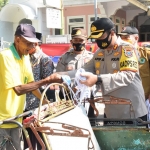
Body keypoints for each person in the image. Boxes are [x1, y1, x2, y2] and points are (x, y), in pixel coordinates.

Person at [54, 18, 147, 121]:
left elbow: (128, 75)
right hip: (110, 111)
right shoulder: (100, 52)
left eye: (101, 36)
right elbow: (84, 70)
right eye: (96, 38)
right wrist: (62, 75)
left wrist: (97, 79)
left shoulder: (127, 49)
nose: (98, 41)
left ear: (111, 33)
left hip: (132, 111)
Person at [0, 24, 62, 150]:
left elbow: (31, 85)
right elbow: (19, 89)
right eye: (29, 43)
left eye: (34, 44)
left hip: (16, 119)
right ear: (17, 39)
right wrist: (47, 80)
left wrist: (46, 103)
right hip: (3, 121)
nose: (32, 47)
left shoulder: (25, 56)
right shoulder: (5, 56)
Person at [23, 32, 55, 150]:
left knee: (41, 139)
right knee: (27, 139)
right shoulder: (24, 57)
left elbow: (48, 84)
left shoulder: (45, 60)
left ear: (36, 44)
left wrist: (45, 103)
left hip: (38, 105)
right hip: (24, 105)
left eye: (29, 44)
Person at [118, 26, 150, 99]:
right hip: (124, 99)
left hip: (144, 99)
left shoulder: (146, 54)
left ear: (136, 38)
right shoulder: (118, 54)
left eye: (126, 38)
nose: (123, 41)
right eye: (121, 38)